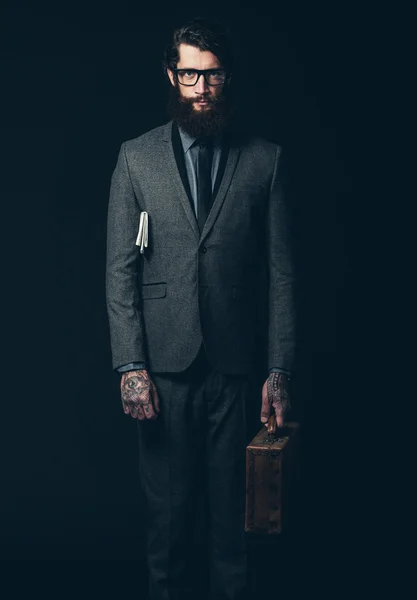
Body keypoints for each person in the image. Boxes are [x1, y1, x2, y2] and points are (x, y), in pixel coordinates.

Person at [106, 17, 296, 600]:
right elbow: (121, 269)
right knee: (168, 522)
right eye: (189, 74)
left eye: (211, 75)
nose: (200, 87)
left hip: (236, 372)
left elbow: (283, 274)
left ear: (225, 78)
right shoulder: (135, 158)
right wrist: (129, 366)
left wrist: (279, 370)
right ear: (172, 75)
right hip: (163, 369)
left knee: (231, 525)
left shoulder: (265, 160)